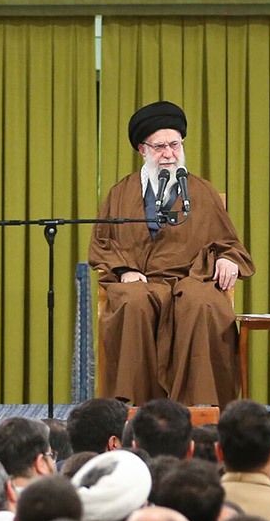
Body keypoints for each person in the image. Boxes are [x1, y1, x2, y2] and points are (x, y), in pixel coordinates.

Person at [89, 101, 255, 406]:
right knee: (133, 302)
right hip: (141, 281)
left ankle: (202, 407)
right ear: (143, 150)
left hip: (191, 280)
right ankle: (133, 407)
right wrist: (125, 270)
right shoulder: (120, 193)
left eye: (175, 145)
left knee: (201, 303)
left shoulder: (202, 191)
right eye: (160, 147)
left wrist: (227, 259)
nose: (169, 154)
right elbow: (102, 242)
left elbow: (229, 242)